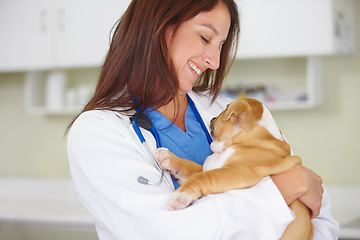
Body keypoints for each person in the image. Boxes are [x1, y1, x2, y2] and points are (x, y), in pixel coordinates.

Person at [67, 0, 339, 239]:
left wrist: (293, 188)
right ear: (160, 28)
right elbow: (169, 233)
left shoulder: (233, 116)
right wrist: (279, 190)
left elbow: (317, 210)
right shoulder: (97, 133)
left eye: (221, 45)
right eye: (205, 38)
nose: (215, 62)